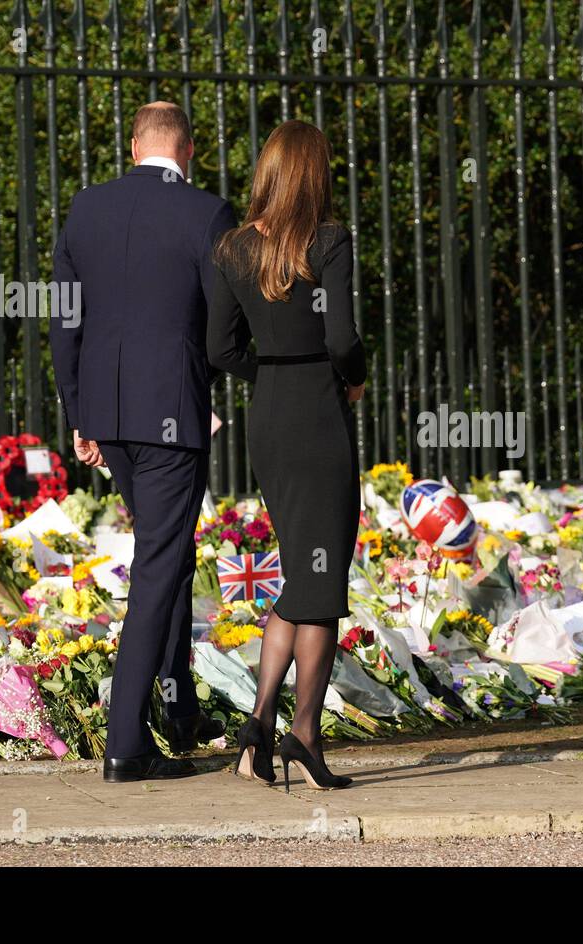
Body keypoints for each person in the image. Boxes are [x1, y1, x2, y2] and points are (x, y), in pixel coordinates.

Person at [51, 102, 234, 782]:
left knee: (170, 551)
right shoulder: (206, 212)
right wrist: (209, 378)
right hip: (170, 413)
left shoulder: (86, 207)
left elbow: (65, 322)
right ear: (188, 149)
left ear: (134, 145)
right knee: (161, 560)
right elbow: (222, 327)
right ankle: (127, 740)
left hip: (107, 410)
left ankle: (179, 704)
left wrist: (80, 414)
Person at [207, 120, 365, 791]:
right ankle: (300, 734)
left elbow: (219, 348)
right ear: (314, 174)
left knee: (303, 573)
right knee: (319, 585)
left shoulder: (233, 249)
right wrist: (353, 375)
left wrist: (267, 367)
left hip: (269, 413)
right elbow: (342, 338)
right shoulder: (329, 242)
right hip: (319, 414)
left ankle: (258, 731)